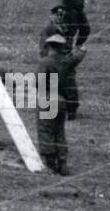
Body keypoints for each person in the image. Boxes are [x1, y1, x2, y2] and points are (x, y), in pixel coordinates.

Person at [36, 33, 86, 174]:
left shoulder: (44, 62)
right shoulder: (67, 62)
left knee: (46, 130)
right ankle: (62, 161)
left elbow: (38, 83)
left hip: (47, 98)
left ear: (49, 46)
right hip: (61, 100)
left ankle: (51, 163)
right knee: (59, 131)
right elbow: (77, 58)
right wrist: (82, 49)